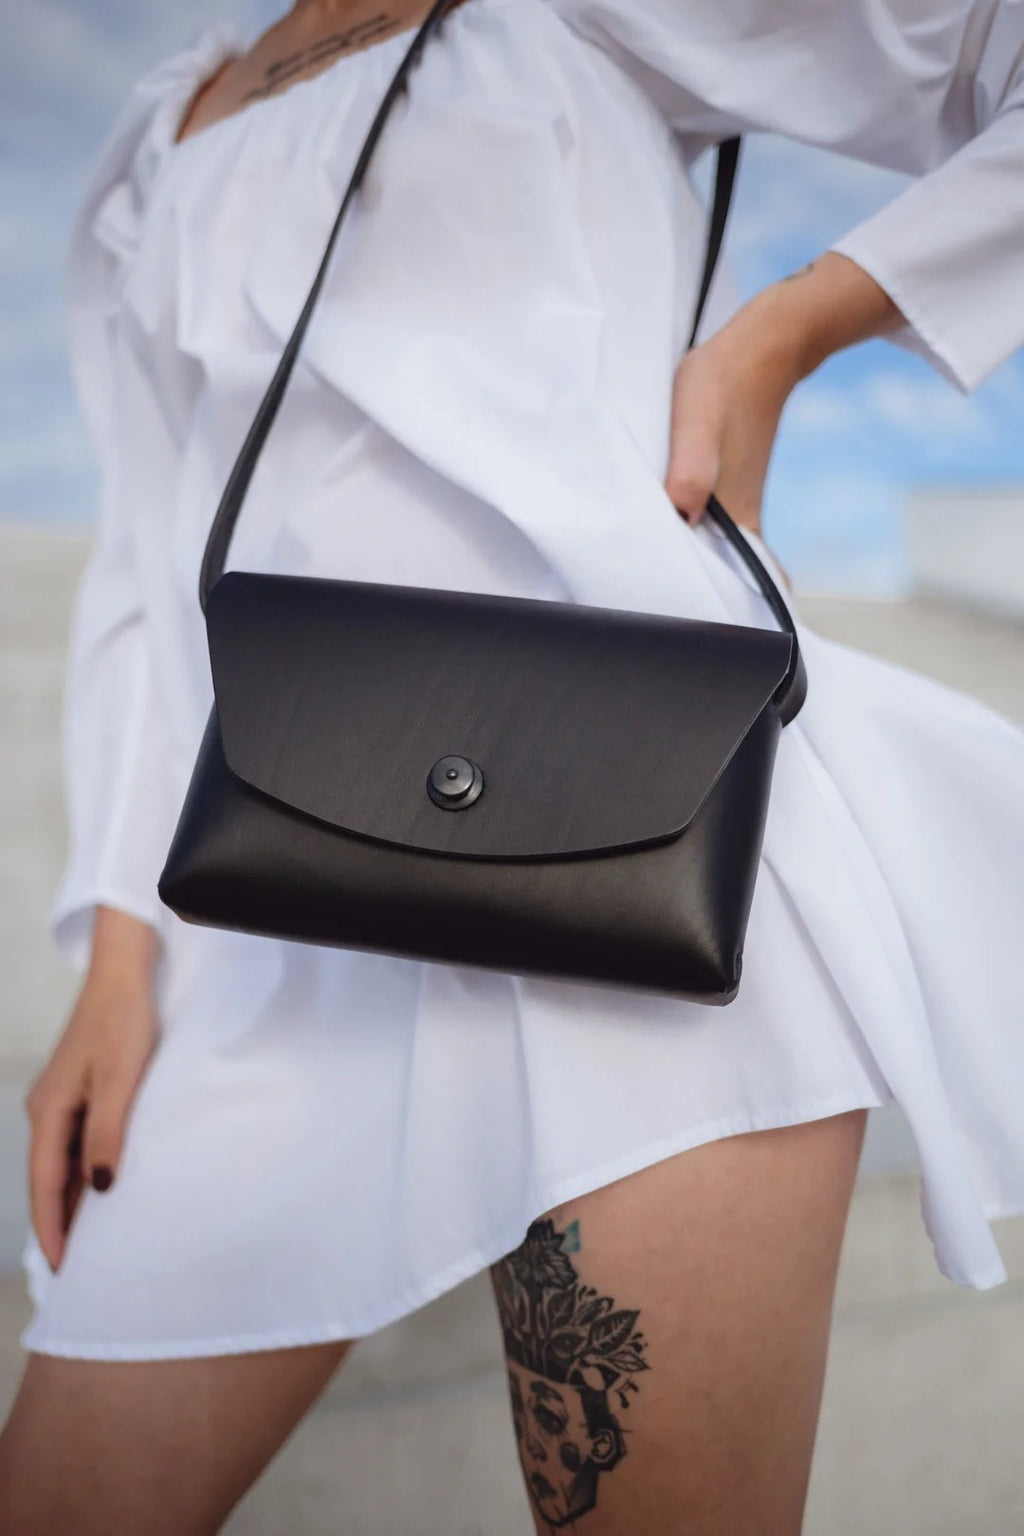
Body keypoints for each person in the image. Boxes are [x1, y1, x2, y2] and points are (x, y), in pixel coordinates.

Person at [2, 0, 1023, 1530]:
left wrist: (788, 331)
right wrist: (119, 955)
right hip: (280, 916)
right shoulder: (171, 121)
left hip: (641, 885)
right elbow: (153, 570)